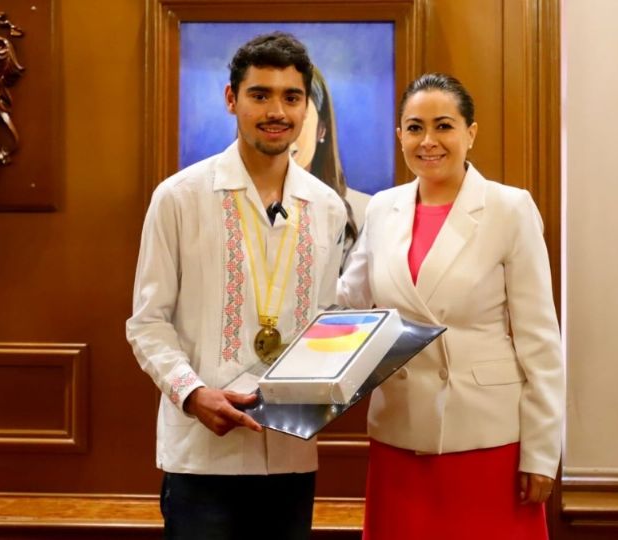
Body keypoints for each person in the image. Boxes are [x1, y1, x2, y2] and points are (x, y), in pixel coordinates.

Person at [126, 32, 347, 540]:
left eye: (291, 97)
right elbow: (147, 322)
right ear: (232, 99)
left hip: (290, 450)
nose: (277, 111)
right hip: (202, 456)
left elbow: (327, 321)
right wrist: (192, 392)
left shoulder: (327, 207)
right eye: (260, 94)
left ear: (306, 106)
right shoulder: (178, 198)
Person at [337, 73, 563, 539]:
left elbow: (541, 341)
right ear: (399, 135)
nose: (429, 141)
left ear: (470, 133)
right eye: (415, 128)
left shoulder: (509, 208)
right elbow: (347, 306)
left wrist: (541, 452)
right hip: (400, 434)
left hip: (488, 439)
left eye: (444, 126)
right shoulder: (382, 208)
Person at [290, 66, 371, 264]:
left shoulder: (365, 214)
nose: (281, 134)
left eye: (295, 108)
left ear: (321, 130)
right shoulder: (214, 202)